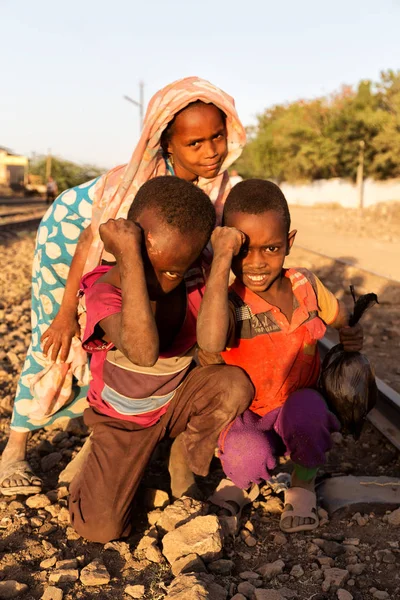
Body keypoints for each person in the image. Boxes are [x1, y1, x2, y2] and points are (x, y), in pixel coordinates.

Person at [0, 77, 246, 496]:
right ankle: (15, 449)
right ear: (168, 145)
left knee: (130, 333)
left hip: (133, 261)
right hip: (74, 237)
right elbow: (88, 240)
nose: (211, 151)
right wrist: (64, 314)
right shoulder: (131, 186)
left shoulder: (220, 187)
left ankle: (101, 434)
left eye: (217, 137)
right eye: (196, 143)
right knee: (60, 343)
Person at [68, 176, 253, 543]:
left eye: (171, 271)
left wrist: (221, 260)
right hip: (123, 423)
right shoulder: (106, 290)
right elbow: (143, 350)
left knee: (234, 385)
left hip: (175, 405)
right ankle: (92, 466)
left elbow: (213, 341)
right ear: (130, 243)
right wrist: (130, 259)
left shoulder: (193, 276)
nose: (159, 279)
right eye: (147, 263)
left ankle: (182, 457)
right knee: (100, 530)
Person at [197, 179, 363, 533]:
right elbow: (209, 344)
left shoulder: (305, 285)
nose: (256, 263)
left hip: (297, 400)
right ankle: (244, 481)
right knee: (244, 451)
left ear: (288, 243)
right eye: (243, 250)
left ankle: (302, 482)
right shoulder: (228, 302)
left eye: (270, 249)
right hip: (248, 410)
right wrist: (221, 258)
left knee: (310, 414)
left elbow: (338, 317)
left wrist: (349, 333)